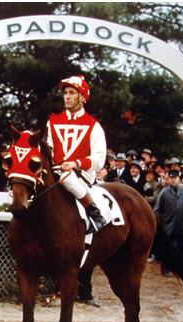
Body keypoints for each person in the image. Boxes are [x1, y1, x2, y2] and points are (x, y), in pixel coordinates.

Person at [47, 74, 108, 233]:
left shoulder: (93, 125)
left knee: (66, 178)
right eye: (65, 93)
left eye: (71, 93)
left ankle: (94, 212)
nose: (67, 97)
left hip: (81, 173)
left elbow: (99, 159)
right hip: (56, 170)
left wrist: (75, 163)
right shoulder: (52, 122)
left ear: (82, 97)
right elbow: (49, 149)